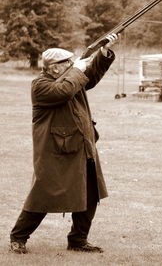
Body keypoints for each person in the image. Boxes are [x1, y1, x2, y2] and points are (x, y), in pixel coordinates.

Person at [9, 33, 119, 254]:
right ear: (53, 68)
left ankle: (78, 240)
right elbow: (64, 90)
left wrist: (103, 52)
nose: (71, 64)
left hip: (81, 144)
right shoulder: (40, 85)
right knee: (43, 193)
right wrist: (77, 69)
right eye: (66, 62)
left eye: (71, 61)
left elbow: (92, 77)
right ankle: (18, 237)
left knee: (90, 193)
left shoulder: (71, 78)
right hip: (54, 150)